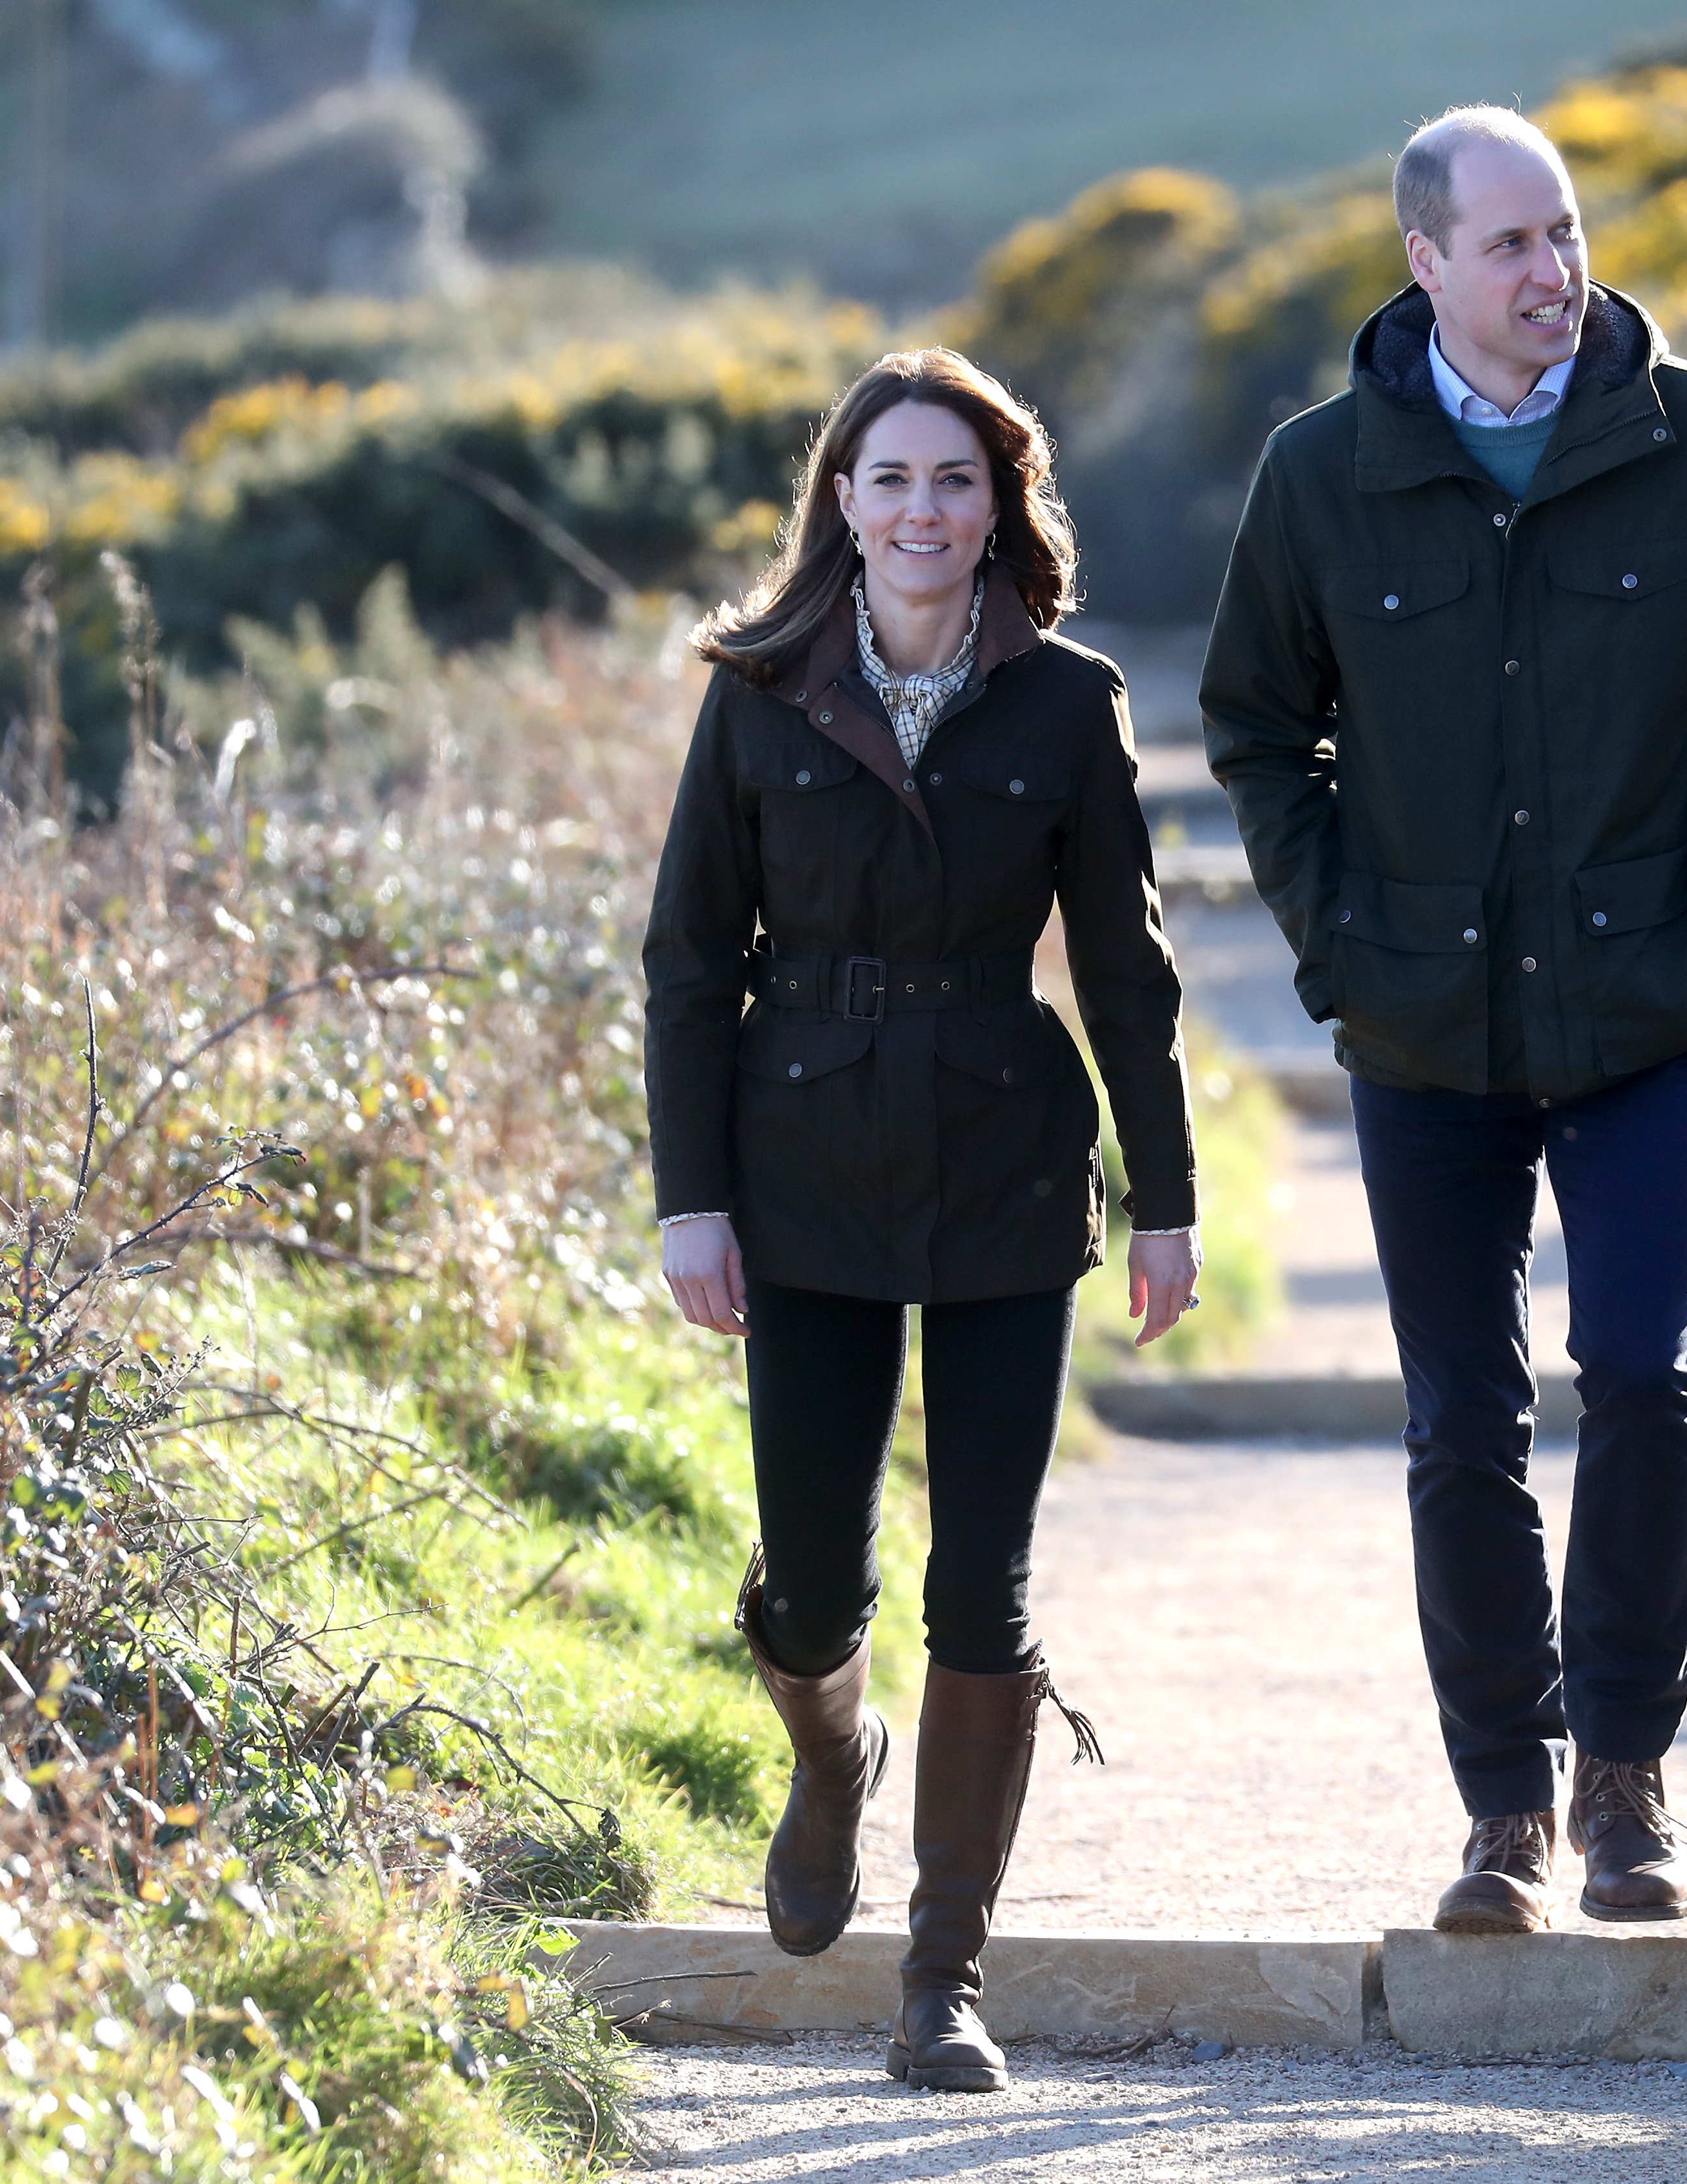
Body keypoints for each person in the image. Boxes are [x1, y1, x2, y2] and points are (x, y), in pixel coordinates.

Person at [1201, 107, 1687, 1933]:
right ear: (1424, 262)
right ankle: (1505, 1808)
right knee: (1459, 1419)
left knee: (1644, 1378)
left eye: (1562, 232)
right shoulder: (1321, 478)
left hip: (1652, 1008)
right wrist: (1344, 943)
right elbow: (1259, 728)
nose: (1552, 272)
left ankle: (1627, 1782)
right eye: (1507, 244)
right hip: (1424, 1034)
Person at [643, 350, 1203, 2090]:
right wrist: (691, 1197)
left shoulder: (1067, 701)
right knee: (812, 1582)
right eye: (887, 479)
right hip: (797, 1161)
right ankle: (829, 1753)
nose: (919, 511)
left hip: (1002, 1168)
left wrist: (1167, 1199)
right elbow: (686, 958)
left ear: (1000, 504)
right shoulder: (757, 692)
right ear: (840, 502)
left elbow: (1124, 969)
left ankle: (942, 1972)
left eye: (953, 480)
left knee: (985, 1577)